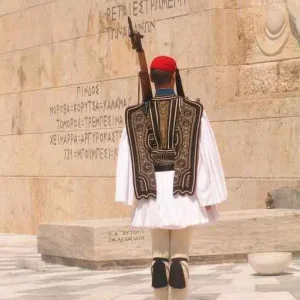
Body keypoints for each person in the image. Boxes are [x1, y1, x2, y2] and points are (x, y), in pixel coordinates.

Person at [115, 55, 227, 300]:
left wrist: (133, 198)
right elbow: (204, 157)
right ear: (174, 77)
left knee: (158, 258)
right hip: (183, 192)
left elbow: (129, 158)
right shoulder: (194, 111)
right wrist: (208, 196)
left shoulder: (135, 115)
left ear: (151, 80)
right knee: (179, 259)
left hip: (151, 192)